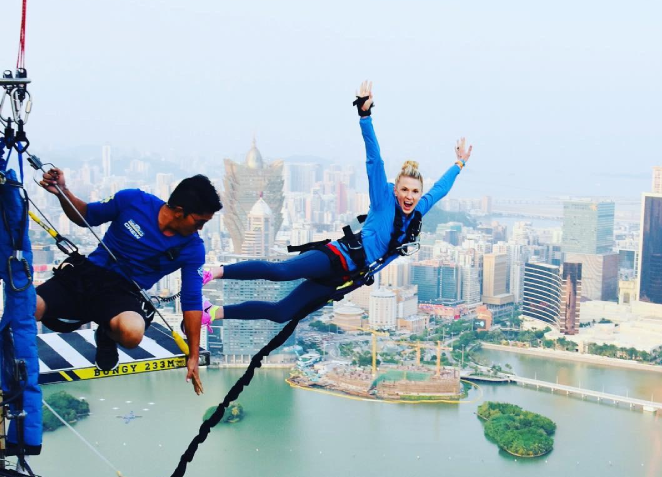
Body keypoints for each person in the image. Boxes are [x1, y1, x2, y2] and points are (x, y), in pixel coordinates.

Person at [204, 81, 472, 325]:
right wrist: (365, 116)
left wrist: (459, 164)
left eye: (415, 191)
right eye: (404, 189)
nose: (410, 196)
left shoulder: (417, 213)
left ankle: (213, 313)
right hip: (335, 257)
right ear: (396, 190)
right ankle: (213, 273)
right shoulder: (383, 201)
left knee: (282, 314)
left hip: (345, 277)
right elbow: (374, 160)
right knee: (281, 271)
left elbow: (439, 190)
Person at [35, 170, 222, 392]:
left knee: (133, 333)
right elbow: (87, 215)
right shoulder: (133, 201)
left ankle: (106, 333)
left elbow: (191, 300)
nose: (200, 229)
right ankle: (16, 356)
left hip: (122, 294)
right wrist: (63, 192)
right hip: (86, 275)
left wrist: (192, 355)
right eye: (199, 221)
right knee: (29, 306)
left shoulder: (192, 248)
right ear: (180, 212)